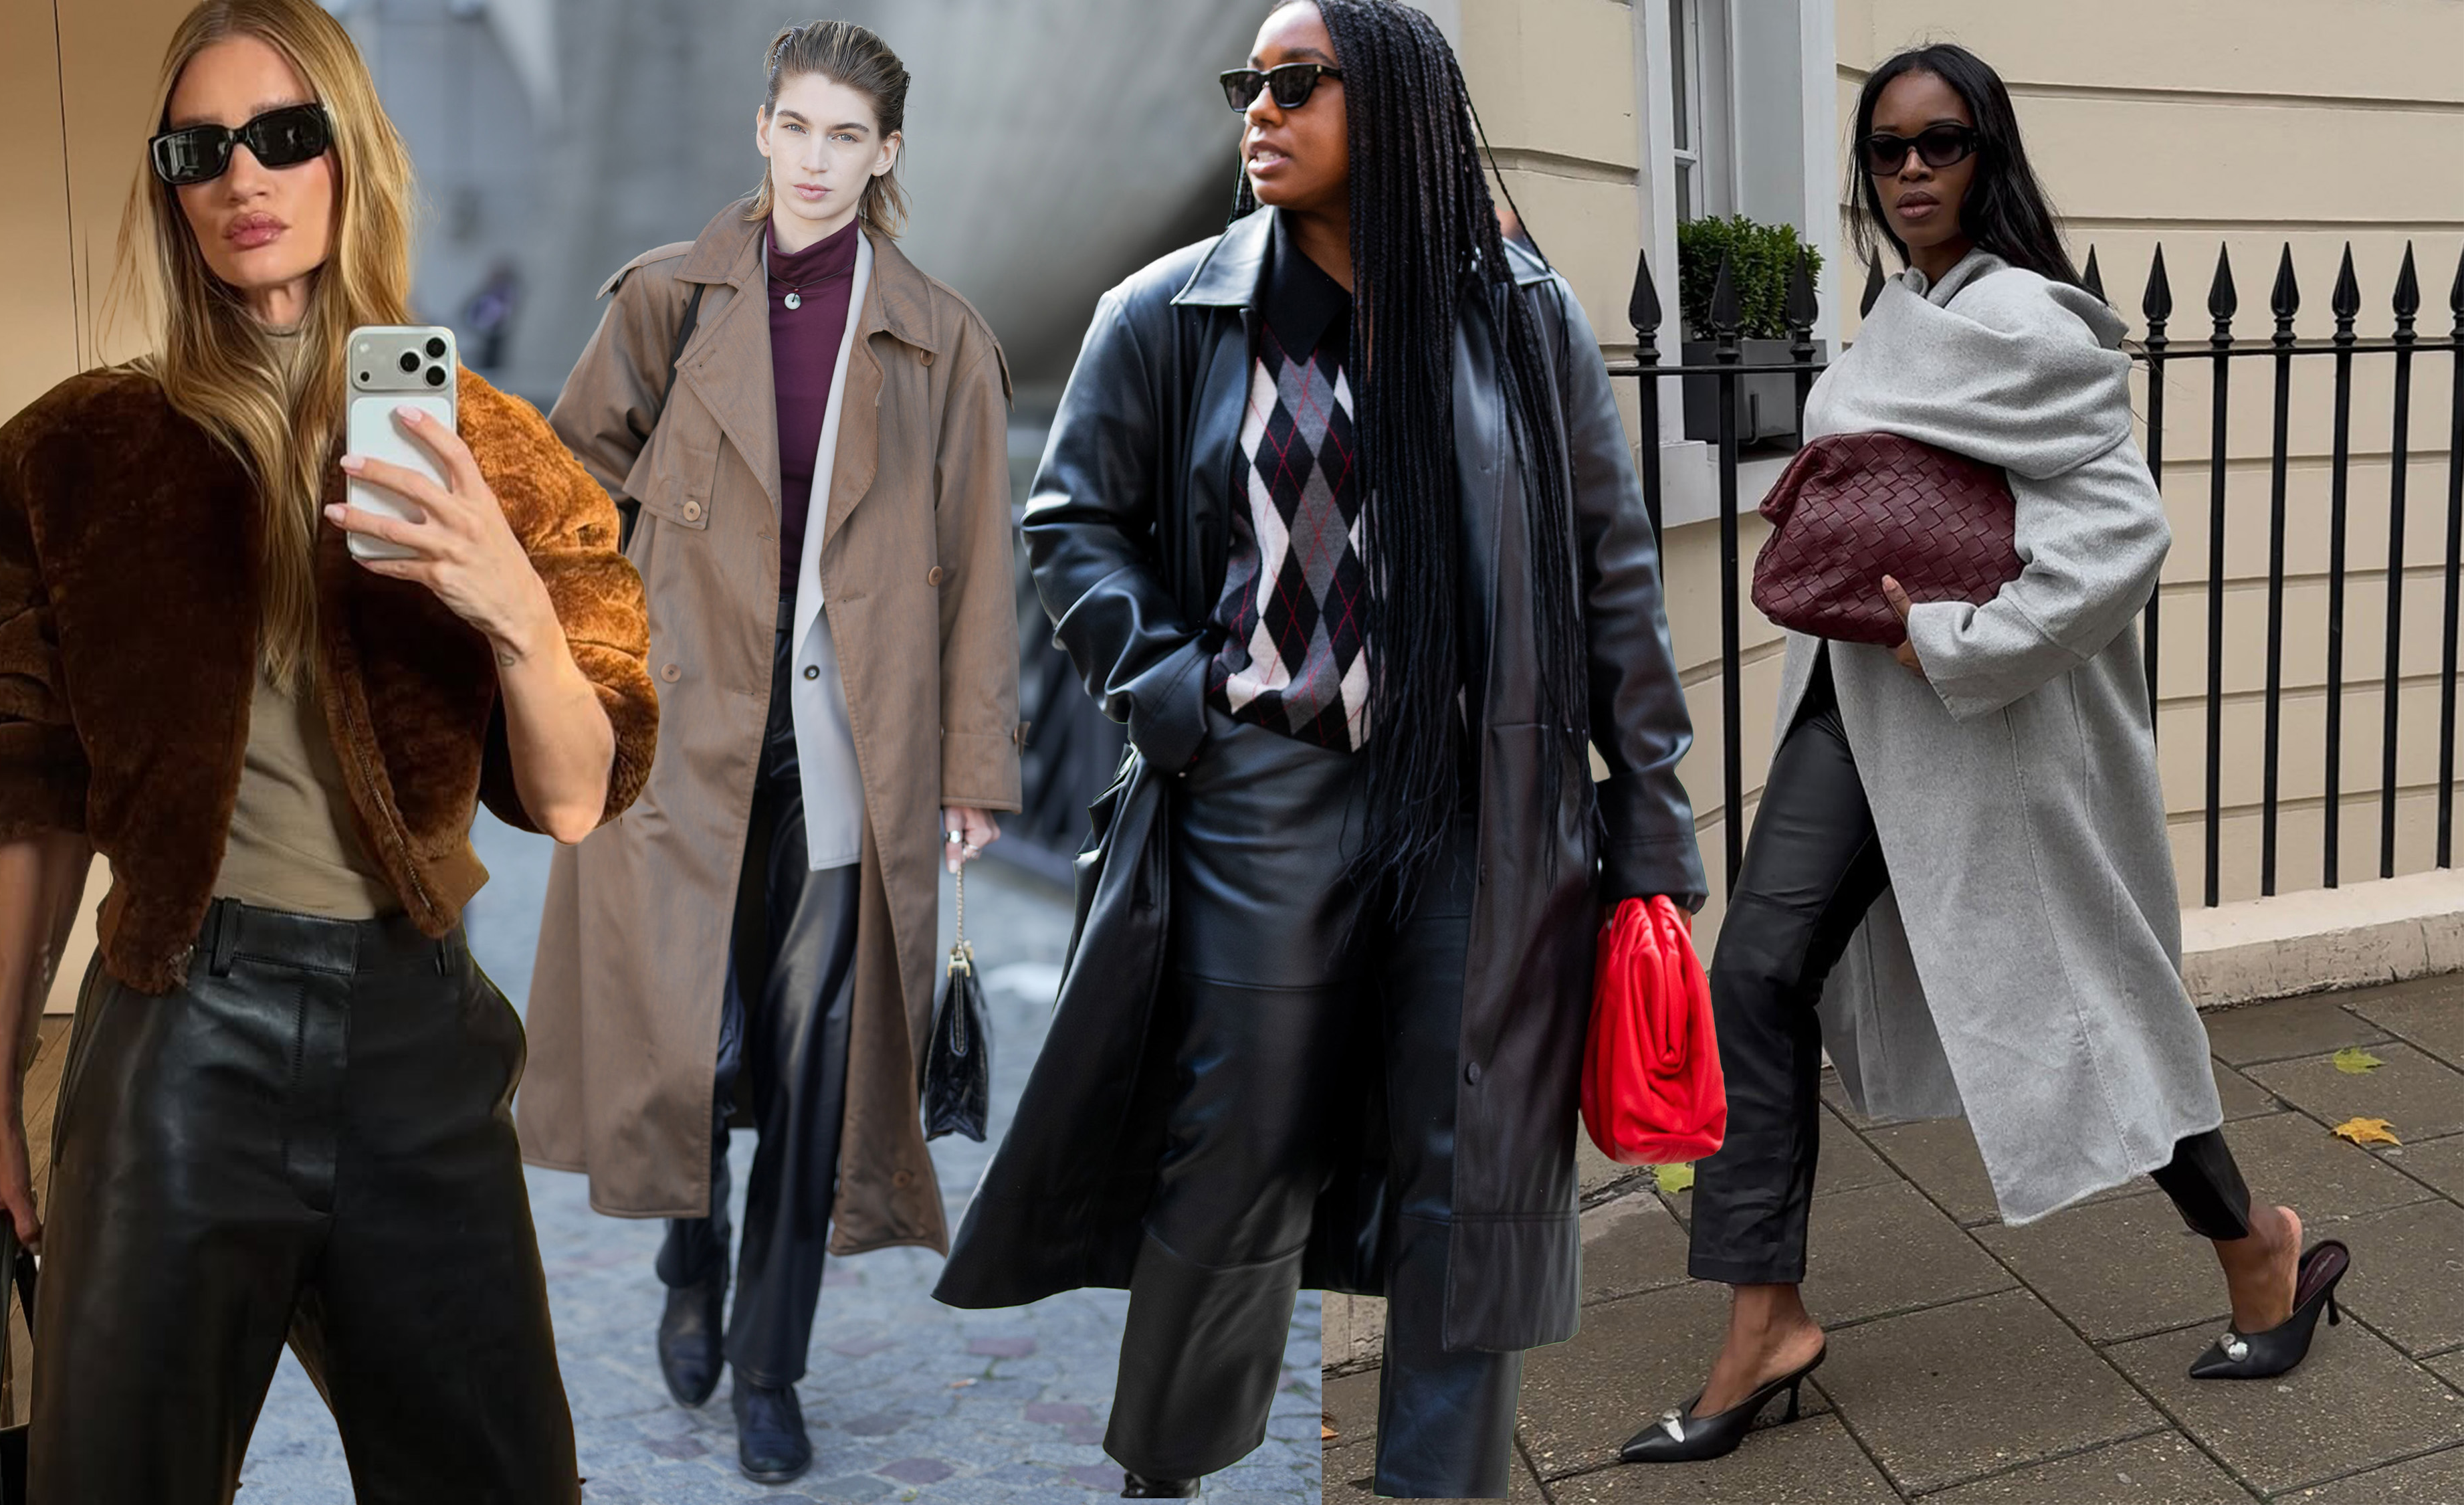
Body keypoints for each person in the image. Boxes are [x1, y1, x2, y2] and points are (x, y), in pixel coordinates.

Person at [932, 2, 1703, 1497]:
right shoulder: (1166, 314)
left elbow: (1609, 572)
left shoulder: (1517, 312)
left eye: (1296, 82)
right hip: (1259, 791)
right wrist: (1177, 697)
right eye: (1247, 83)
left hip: (1482, 807)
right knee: (1229, 1153)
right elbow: (1067, 524)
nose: (1258, 110)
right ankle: (1167, 1470)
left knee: (1463, 1174)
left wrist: (1648, 831)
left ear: (1398, 105)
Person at [0, 2, 657, 1500]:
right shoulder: (76, 460)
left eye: (282, 135)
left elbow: (577, 800)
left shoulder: (487, 451)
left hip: (414, 1042)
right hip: (180, 1033)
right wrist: (0, 1103)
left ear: (348, 158)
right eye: (200, 149)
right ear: (169, 186)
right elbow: (35, 808)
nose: (242, 177)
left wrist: (508, 603)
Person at [1621, 42, 2350, 1466]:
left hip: (1983, 728)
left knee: (2088, 1006)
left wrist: (1948, 638)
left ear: (1985, 155)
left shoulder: (2033, 325)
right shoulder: (1892, 312)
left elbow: (2117, 536)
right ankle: (1763, 1315)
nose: (1907, 171)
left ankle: (2258, 1247)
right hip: (1850, 711)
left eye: (1938, 143)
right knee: (1754, 974)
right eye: (1885, 148)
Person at [519, 19, 1023, 1487]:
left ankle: (767, 1366)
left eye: (845, 139)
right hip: (685, 732)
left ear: (887, 156)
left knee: (811, 1059)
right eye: (795, 129)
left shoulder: (943, 339)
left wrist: (969, 766)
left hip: (846, 741)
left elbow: (979, 565)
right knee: (693, 1027)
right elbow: (566, 501)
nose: (816, 163)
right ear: (761, 131)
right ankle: (693, 1250)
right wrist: (585, 675)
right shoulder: (668, 299)